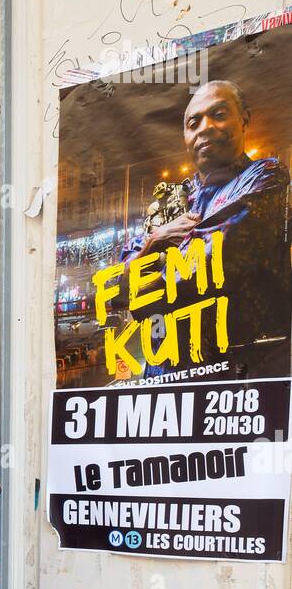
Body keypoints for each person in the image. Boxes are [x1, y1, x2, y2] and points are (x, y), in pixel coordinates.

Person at [123, 80, 291, 379]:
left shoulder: (264, 177)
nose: (205, 127)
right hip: (163, 381)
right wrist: (155, 241)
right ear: (186, 136)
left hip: (236, 380)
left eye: (219, 113)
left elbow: (204, 271)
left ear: (244, 120)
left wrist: (141, 281)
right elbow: (114, 292)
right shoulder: (168, 202)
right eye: (194, 122)